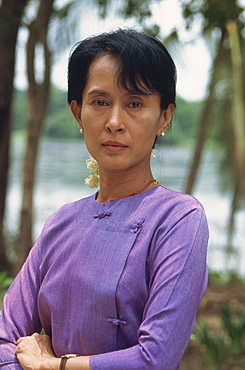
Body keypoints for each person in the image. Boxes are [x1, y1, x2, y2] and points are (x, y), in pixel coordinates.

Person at [0, 28, 208, 370]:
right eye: (100, 102)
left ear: (164, 118)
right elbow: (4, 338)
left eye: (135, 104)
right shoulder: (61, 223)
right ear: (77, 113)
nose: (114, 122)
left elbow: (155, 358)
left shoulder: (178, 220)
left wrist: (55, 366)